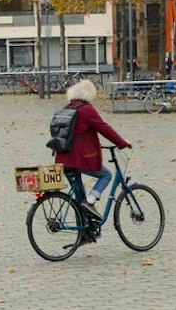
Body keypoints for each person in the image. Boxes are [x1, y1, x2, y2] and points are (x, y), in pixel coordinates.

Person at [51, 78, 132, 221]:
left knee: (79, 199)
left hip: (63, 159)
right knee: (106, 175)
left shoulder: (66, 108)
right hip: (79, 159)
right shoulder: (87, 110)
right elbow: (104, 128)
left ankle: (85, 232)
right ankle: (91, 201)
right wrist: (122, 142)